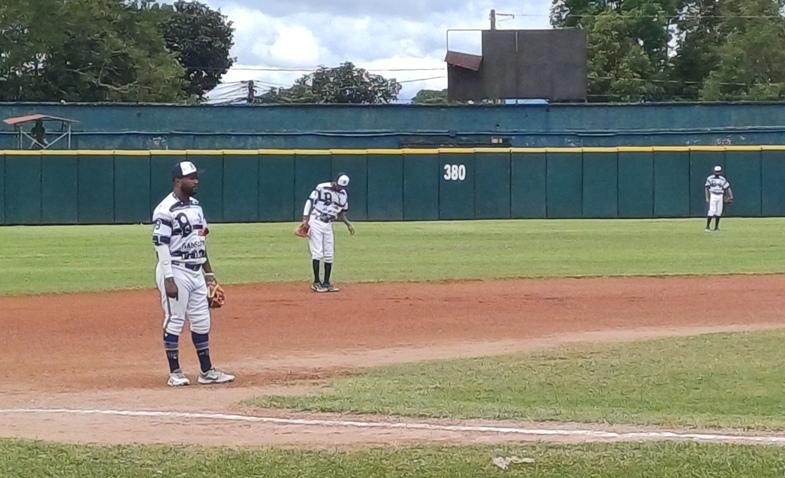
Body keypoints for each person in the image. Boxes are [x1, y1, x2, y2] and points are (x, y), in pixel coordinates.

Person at [151, 161, 235, 386]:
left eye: (197, 177)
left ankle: (207, 371)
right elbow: (161, 245)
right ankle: (175, 372)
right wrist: (168, 278)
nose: (196, 181)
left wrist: (209, 273)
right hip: (175, 269)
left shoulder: (197, 205)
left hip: (196, 270)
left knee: (201, 321)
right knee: (175, 319)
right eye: (191, 178)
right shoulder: (164, 209)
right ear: (178, 181)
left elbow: (200, 239)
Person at [300, 173, 355, 292]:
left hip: (328, 223)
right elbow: (309, 202)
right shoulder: (321, 187)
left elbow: (342, 213)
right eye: (338, 185)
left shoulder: (343, 195)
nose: (339, 188)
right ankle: (316, 282)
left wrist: (348, 224)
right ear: (334, 181)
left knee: (329, 254)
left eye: (341, 187)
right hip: (315, 220)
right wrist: (305, 219)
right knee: (318, 253)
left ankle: (326, 282)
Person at [705, 164, 733, 232]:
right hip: (713, 195)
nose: (717, 172)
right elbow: (706, 188)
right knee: (712, 211)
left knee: (719, 212)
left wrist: (731, 196)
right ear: (714, 171)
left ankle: (716, 227)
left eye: (718, 171)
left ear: (720, 172)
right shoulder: (710, 178)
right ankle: (707, 227)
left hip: (720, 195)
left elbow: (727, 187)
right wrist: (707, 197)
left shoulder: (722, 179)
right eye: (716, 171)